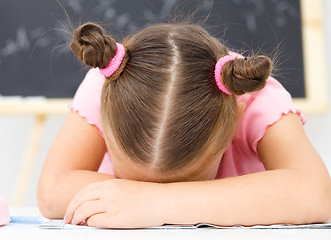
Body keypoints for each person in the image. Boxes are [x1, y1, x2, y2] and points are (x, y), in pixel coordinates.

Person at [37, 22, 331, 228]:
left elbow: (316, 194)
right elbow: (52, 191)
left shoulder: (255, 97)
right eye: (136, 184)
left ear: (235, 120)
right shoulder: (106, 87)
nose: (141, 192)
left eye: (186, 182)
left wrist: (155, 203)